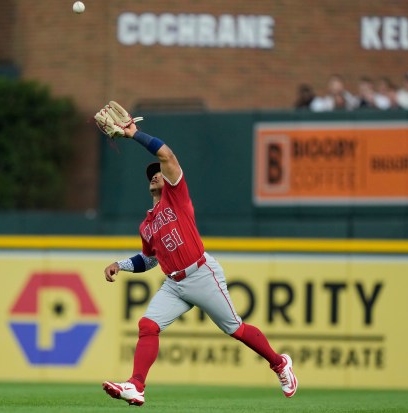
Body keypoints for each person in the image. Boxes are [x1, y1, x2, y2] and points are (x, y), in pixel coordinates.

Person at [99, 113, 298, 406]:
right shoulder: (147, 224)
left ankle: (280, 364)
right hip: (174, 284)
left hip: (201, 274)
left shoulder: (176, 195)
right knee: (147, 326)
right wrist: (122, 265)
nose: (154, 175)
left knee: (236, 329)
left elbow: (166, 154)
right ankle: (136, 385)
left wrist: (134, 134)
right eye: (150, 174)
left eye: (158, 173)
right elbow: (150, 260)